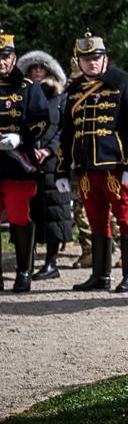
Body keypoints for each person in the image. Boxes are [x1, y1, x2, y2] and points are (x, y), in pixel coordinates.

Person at [56, 31, 128, 293]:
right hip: (86, 169)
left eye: (96, 57)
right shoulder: (74, 91)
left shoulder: (124, 84)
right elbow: (67, 134)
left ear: (105, 58)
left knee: (125, 219)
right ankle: (100, 275)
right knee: (97, 222)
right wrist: (61, 170)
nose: (91, 63)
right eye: (86, 59)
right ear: (78, 61)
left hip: (116, 168)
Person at [0, 30, 50, 292]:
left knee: (20, 215)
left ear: (13, 58)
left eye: (5, 57)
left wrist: (20, 137)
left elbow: (42, 119)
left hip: (19, 165)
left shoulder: (29, 87)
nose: (1, 62)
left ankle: (23, 271)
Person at [17, 50, 71, 281]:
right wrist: (29, 149)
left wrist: (49, 149)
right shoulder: (20, 96)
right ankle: (26, 261)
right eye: (33, 67)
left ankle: (51, 262)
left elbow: (65, 128)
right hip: (26, 160)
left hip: (52, 161)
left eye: (42, 67)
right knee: (28, 211)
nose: (38, 71)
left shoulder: (60, 97)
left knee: (54, 212)